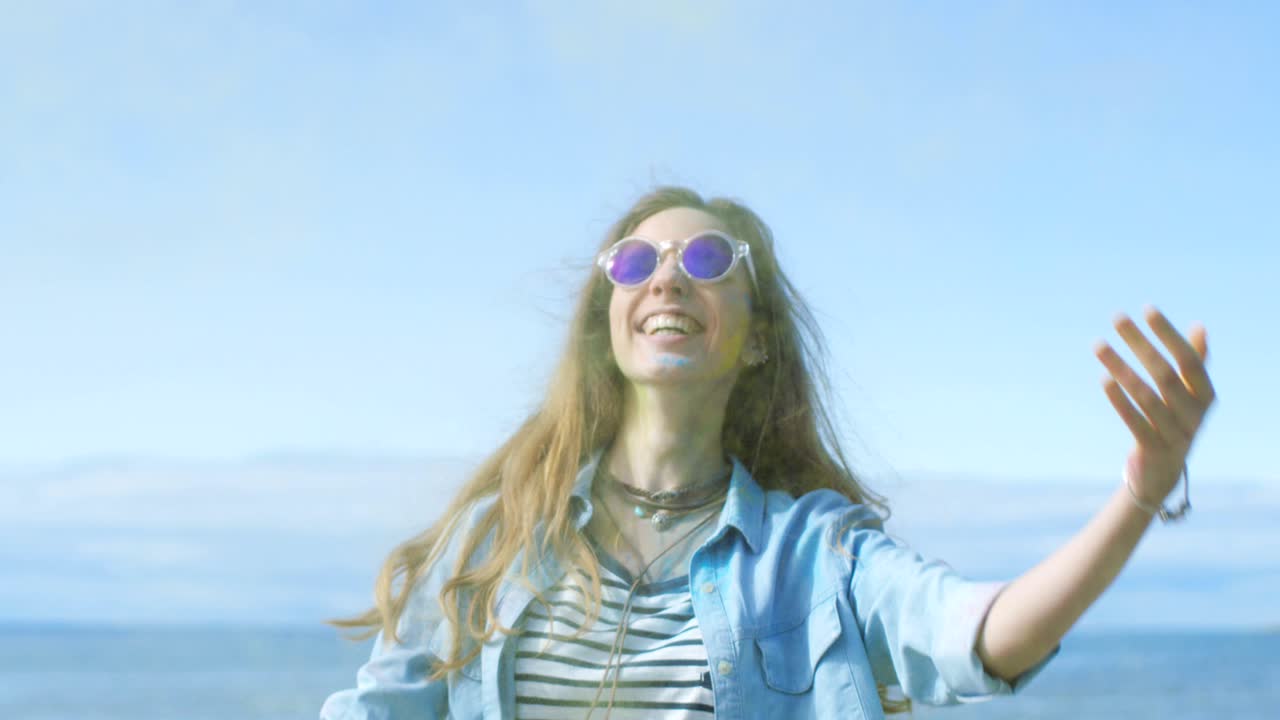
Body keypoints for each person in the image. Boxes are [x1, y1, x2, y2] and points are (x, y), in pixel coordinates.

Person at [319, 186, 1216, 719]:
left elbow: (977, 635)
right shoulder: (496, 539)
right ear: (607, 325)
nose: (668, 275)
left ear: (754, 339)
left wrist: (1137, 497)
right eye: (635, 263)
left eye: (708, 259)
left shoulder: (817, 552)